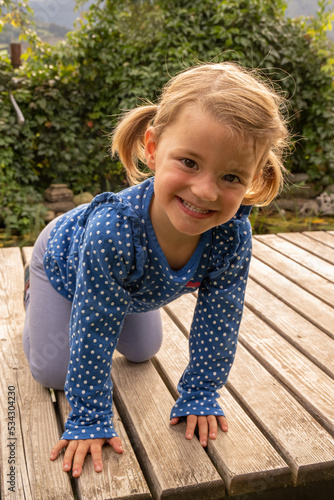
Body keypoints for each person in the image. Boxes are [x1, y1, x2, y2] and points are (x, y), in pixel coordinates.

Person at [23, 62, 289, 478]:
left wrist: (201, 392)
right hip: (61, 260)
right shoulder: (113, 232)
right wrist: (90, 416)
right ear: (152, 146)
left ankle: (118, 296)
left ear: (255, 178)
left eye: (232, 176)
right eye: (188, 162)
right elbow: (94, 327)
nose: (205, 191)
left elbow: (219, 320)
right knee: (54, 372)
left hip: (127, 284)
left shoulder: (230, 236)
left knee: (143, 352)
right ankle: (36, 293)